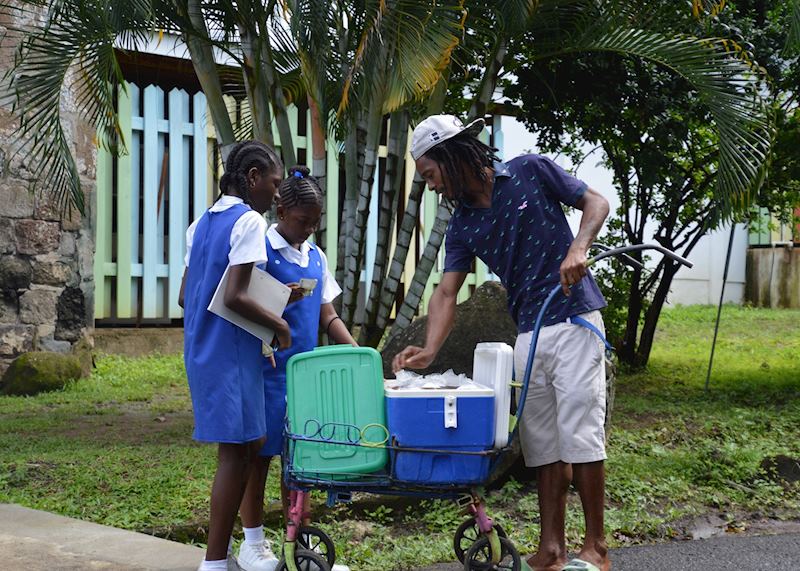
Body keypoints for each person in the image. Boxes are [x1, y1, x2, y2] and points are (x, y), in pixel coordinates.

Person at [391, 115, 611, 571]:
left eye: (430, 174)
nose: (430, 187)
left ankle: (596, 549)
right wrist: (430, 350)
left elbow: (595, 202)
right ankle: (552, 549)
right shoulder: (463, 226)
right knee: (542, 446)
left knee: (581, 436)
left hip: (573, 319)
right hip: (528, 332)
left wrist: (579, 248)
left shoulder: (530, 170)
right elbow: (446, 292)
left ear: (451, 156)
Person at [235, 165, 356, 571]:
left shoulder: (316, 257)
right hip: (265, 371)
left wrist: (359, 354)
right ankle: (252, 544)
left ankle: (297, 542)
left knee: (299, 463)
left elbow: (328, 315)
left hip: (305, 378)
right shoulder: (262, 251)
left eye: (315, 223)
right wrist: (277, 303)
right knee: (260, 459)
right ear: (281, 211)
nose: (308, 230)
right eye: (303, 221)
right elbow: (240, 305)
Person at [179, 140, 288, 571]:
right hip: (230, 351)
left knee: (254, 441)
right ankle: (214, 563)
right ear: (254, 178)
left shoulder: (200, 223)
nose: (278, 194)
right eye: (274, 183)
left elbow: (187, 297)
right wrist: (278, 325)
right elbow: (236, 294)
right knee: (236, 451)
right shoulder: (248, 222)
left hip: (205, 348)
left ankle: (242, 546)